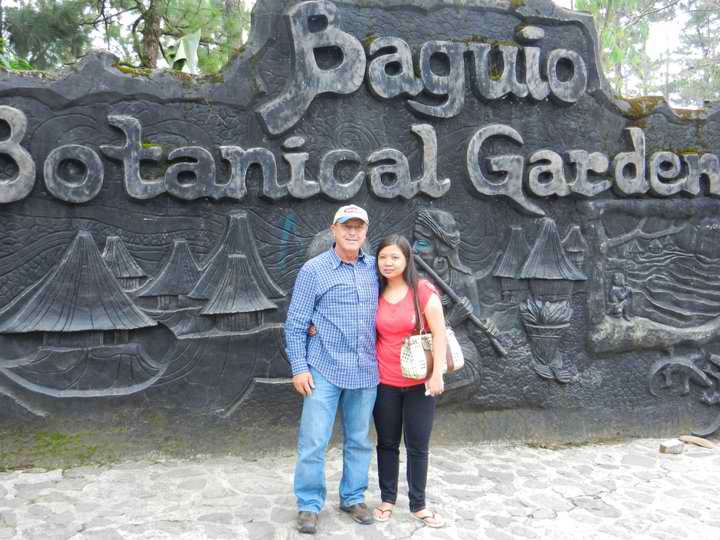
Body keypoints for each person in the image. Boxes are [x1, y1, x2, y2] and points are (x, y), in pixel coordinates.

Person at [284, 204, 379, 535]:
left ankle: (353, 498)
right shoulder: (314, 270)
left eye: (358, 227)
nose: (352, 232)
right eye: (346, 226)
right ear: (333, 230)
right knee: (313, 440)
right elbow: (296, 323)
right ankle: (309, 504)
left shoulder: (376, 270)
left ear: (365, 231)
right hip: (323, 368)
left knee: (359, 440)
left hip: (366, 369)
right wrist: (299, 367)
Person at [371, 234, 447, 528]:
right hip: (384, 382)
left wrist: (436, 374)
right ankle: (387, 499)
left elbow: (439, 333)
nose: (388, 263)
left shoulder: (422, 290)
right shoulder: (375, 291)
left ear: (406, 260)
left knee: (417, 444)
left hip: (419, 383)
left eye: (395, 257)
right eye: (383, 257)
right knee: (387, 443)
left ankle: (418, 505)